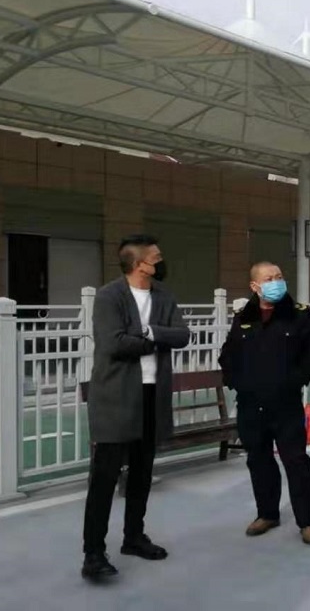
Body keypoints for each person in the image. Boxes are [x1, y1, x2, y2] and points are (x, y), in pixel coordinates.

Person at [81, 234, 190, 581]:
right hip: (116, 397)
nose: (161, 261)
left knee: (142, 473)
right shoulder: (109, 296)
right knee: (105, 477)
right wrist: (156, 339)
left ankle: (134, 537)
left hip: (151, 395)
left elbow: (182, 335)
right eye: (156, 258)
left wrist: (147, 333)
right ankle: (93, 553)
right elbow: (113, 343)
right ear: (139, 264)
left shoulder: (164, 296)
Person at [218, 262, 310, 545]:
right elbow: (228, 353)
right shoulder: (244, 316)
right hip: (251, 404)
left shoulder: (298, 315)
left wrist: (296, 379)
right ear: (255, 286)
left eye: (279, 276)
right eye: (269, 278)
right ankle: (267, 513)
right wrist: (235, 380)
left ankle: (307, 521)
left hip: (285, 403)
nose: (276, 282)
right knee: (259, 460)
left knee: (296, 461)